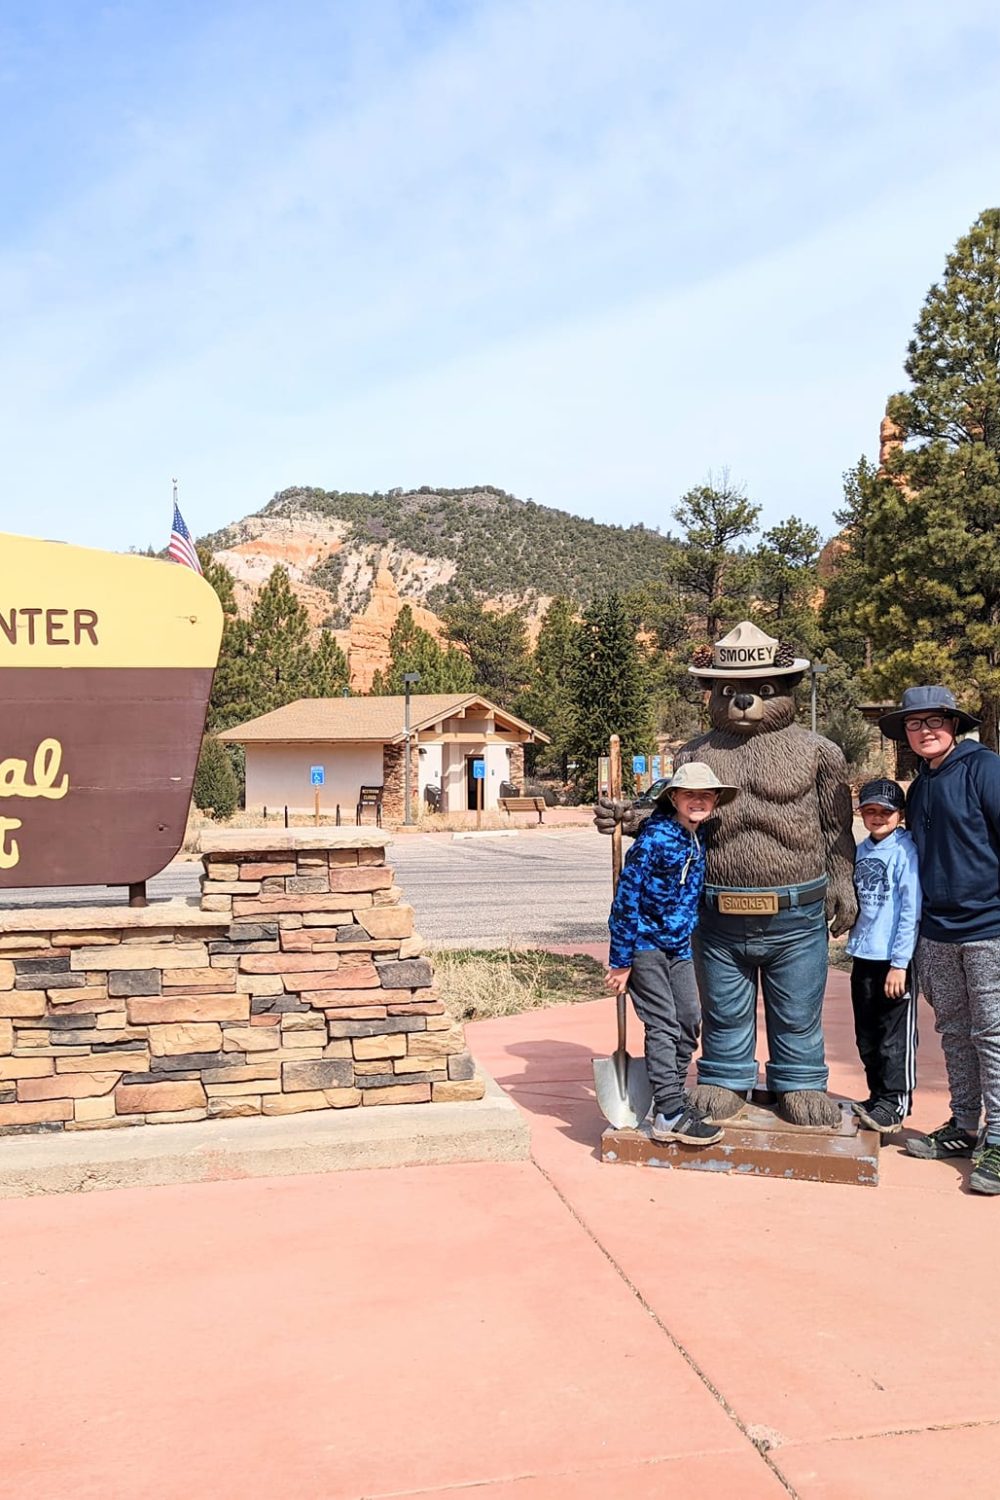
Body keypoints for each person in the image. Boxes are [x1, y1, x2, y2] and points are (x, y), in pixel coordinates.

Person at [878, 686, 1000, 1195]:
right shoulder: (921, 786)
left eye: (935, 721)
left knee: (992, 1033)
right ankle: (964, 1124)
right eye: (914, 723)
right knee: (953, 1028)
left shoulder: (984, 768)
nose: (925, 730)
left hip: (989, 927)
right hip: (937, 931)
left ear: (954, 724)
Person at [605, 762, 738, 1146]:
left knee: (689, 1019)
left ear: (714, 801)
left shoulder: (696, 836)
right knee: (662, 1023)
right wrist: (621, 961)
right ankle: (668, 1112)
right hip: (645, 947)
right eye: (689, 794)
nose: (698, 801)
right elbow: (625, 901)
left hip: (679, 946)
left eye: (706, 795)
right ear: (674, 798)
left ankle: (674, 1096)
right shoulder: (654, 841)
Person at [845, 778, 921, 1134]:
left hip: (893, 961)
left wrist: (899, 964)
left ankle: (895, 1102)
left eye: (885, 812)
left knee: (894, 1037)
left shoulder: (905, 852)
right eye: (870, 811)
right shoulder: (861, 850)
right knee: (867, 1035)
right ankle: (877, 1095)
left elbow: (910, 910)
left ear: (900, 815)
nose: (877, 817)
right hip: (863, 955)